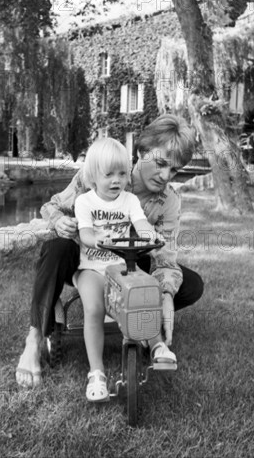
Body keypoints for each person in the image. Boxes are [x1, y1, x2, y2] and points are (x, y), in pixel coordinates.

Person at [16, 114, 204, 389]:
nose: (166, 176)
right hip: (85, 259)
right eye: (161, 164)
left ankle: (140, 319)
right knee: (57, 247)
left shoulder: (168, 200)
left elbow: (166, 259)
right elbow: (52, 206)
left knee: (191, 285)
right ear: (142, 152)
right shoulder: (102, 171)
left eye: (174, 171)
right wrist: (60, 221)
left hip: (130, 263)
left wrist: (164, 294)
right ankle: (34, 337)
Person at [74, 137, 176, 402]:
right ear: (93, 176)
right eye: (108, 175)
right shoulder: (85, 202)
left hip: (120, 265)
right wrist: (97, 238)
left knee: (143, 293)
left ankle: (157, 346)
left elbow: (141, 224)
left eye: (121, 173)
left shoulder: (129, 200)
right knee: (94, 309)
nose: (116, 180)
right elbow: (84, 233)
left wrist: (150, 236)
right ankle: (96, 373)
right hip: (92, 269)